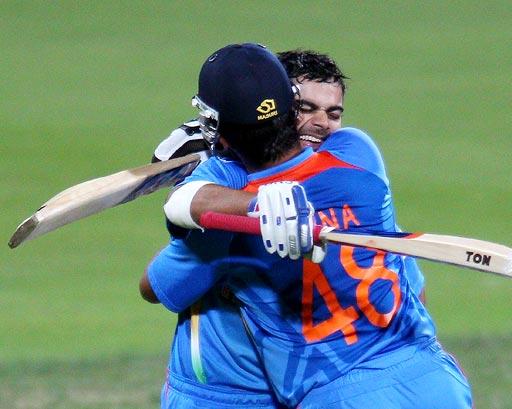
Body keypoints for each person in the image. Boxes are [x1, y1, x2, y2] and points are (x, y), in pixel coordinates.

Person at [144, 43, 472, 408]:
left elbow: (160, 272)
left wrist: (218, 160)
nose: (321, 123)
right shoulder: (360, 156)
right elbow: (416, 293)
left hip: (332, 395)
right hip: (431, 377)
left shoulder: (228, 212)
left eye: (332, 112)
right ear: (291, 110)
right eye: (307, 109)